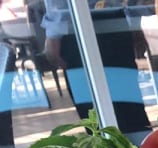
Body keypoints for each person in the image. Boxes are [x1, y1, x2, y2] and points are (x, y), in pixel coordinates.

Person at [40, 0, 151, 140]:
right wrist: (133, 22)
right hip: (112, 20)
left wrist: (54, 34)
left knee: (96, 114)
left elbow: (59, 8)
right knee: (130, 111)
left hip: (79, 24)